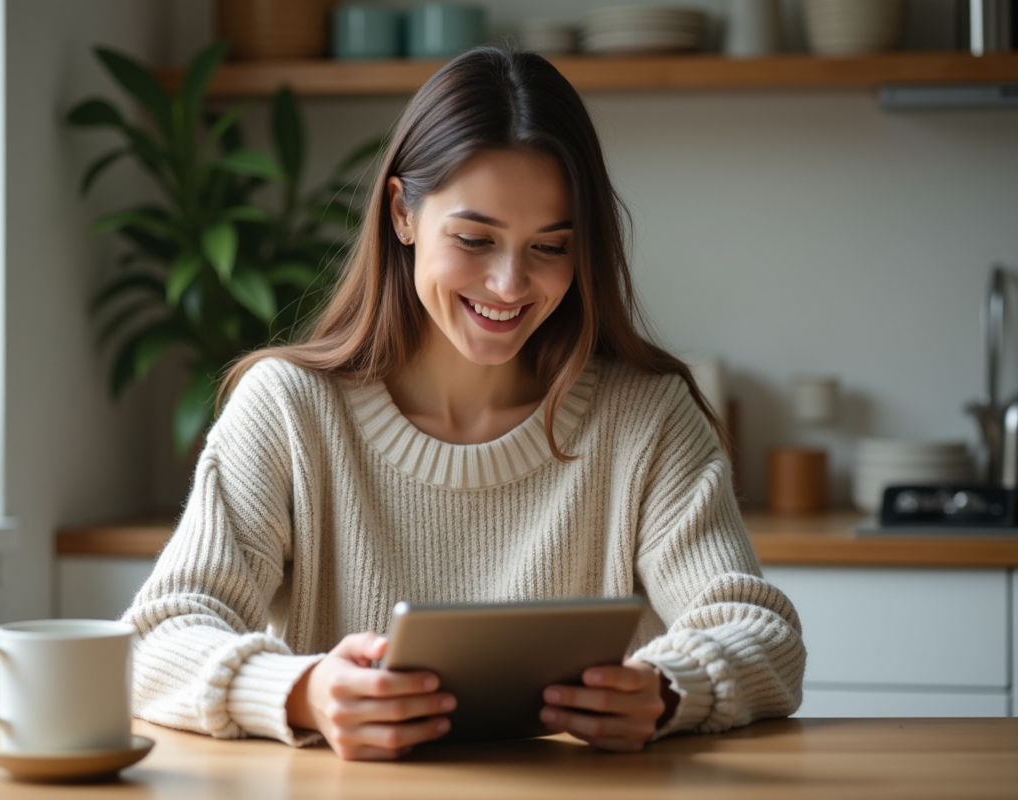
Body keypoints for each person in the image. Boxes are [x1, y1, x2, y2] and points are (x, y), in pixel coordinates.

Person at [123, 46, 805, 762]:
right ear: (402, 213)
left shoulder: (648, 419)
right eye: (475, 239)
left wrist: (668, 688)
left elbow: (762, 635)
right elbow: (155, 638)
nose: (509, 284)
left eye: (550, 247)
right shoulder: (289, 410)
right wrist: (302, 691)